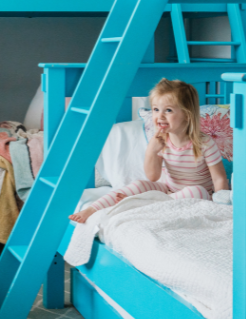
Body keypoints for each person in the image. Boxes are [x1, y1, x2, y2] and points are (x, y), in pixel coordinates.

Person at [69, 79, 230, 223]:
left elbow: (219, 179)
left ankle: (140, 204)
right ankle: (92, 209)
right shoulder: (161, 140)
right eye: (155, 109)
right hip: (168, 191)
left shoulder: (204, 143)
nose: (160, 116)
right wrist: (151, 151)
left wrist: (221, 205)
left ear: (187, 115)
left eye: (168, 110)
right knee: (139, 184)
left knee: (197, 191)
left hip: (198, 194)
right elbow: (153, 177)